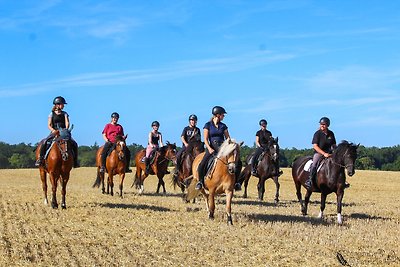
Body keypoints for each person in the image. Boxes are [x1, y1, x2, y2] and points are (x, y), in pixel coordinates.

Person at [196, 106, 241, 190]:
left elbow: (228, 139)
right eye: (222, 115)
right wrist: (209, 148)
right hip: (212, 148)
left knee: (238, 162)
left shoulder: (223, 126)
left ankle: (236, 182)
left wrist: (233, 145)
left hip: (223, 148)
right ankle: (200, 182)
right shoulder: (208, 125)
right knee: (202, 164)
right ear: (217, 115)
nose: (223, 116)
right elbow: (205, 139)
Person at [35, 96, 79, 168]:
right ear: (57, 105)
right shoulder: (51, 114)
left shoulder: (65, 114)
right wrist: (53, 130)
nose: (63, 106)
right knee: (45, 142)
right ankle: (40, 159)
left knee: (74, 143)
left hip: (64, 132)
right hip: (54, 131)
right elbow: (49, 125)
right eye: (62, 104)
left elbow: (67, 122)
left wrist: (65, 129)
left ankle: (75, 161)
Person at [305, 117, 336, 190]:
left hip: (329, 153)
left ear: (327, 125)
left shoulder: (331, 133)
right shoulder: (317, 133)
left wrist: (334, 151)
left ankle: (341, 181)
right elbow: (315, 146)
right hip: (319, 153)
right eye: (321, 124)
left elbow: (334, 144)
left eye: (323, 124)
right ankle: (310, 180)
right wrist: (324, 153)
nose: (322, 125)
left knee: (338, 163)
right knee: (314, 164)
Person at [173, 114, 202, 179]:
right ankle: (177, 170)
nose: (193, 122)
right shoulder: (186, 129)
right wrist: (185, 143)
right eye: (192, 120)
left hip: (194, 147)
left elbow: (199, 139)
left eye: (194, 120)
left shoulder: (197, 130)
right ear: (189, 121)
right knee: (178, 155)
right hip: (187, 146)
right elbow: (182, 137)